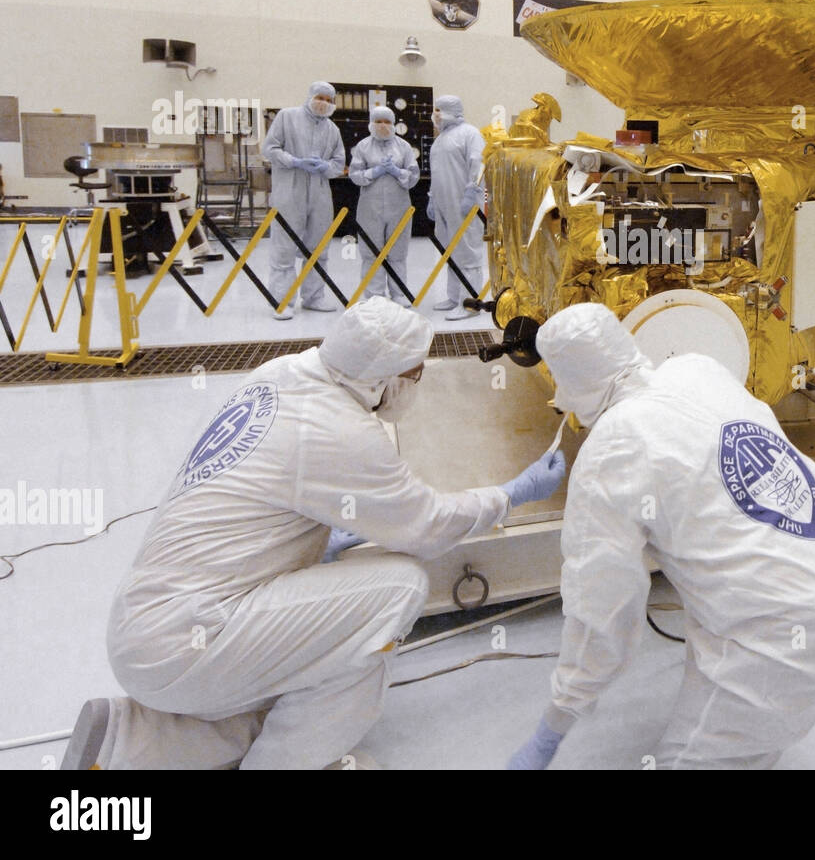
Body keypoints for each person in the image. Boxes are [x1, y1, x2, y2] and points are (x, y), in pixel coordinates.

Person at [62, 299, 567, 770]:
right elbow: (428, 527)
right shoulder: (341, 430)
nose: (419, 382)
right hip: (190, 639)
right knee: (390, 600)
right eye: (415, 374)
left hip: (143, 623)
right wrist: (511, 493)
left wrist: (307, 548)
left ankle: (130, 742)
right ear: (384, 379)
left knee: (302, 668)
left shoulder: (278, 374)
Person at [508, 304, 815, 770]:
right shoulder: (696, 366)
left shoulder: (613, 446)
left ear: (567, 383)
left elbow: (600, 613)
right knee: (750, 724)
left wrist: (553, 725)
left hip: (786, 632)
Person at [261, 81, 345, 319]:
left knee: (319, 248)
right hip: (290, 192)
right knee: (284, 247)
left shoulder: (332, 129)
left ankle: (314, 297)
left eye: (330, 101)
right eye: (321, 98)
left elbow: (339, 163)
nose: (324, 103)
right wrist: (294, 161)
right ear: (310, 96)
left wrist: (326, 166)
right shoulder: (287, 117)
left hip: (319, 194)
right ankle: (282, 301)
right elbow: (269, 149)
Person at [349, 105, 420, 304]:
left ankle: (399, 294)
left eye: (387, 122)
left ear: (394, 124)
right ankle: (374, 296)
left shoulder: (404, 147)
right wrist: (374, 172)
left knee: (397, 253)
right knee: (371, 253)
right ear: (371, 123)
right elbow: (355, 175)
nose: (383, 126)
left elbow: (414, 176)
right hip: (369, 209)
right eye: (378, 121)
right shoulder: (363, 146)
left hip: (399, 207)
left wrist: (397, 172)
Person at [426, 94, 486, 320]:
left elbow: (479, 164)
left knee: (467, 253)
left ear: (453, 110)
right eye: (435, 110)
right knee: (450, 252)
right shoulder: (441, 138)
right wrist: (432, 197)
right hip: (443, 205)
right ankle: (454, 297)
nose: (436, 114)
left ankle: (470, 303)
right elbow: (437, 172)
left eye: (439, 109)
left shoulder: (470, 133)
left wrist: (473, 191)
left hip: (464, 204)